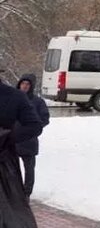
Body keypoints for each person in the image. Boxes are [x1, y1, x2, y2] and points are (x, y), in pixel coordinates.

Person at [0, 76, 43, 227]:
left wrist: (6, 137)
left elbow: (34, 125)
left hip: (4, 165)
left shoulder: (14, 96)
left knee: (10, 214)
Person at [15, 74, 49, 196]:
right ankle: (14, 191)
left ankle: (26, 192)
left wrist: (33, 129)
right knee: (12, 168)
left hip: (29, 140)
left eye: (27, 84)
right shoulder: (13, 99)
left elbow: (44, 118)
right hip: (12, 140)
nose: (24, 86)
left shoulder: (37, 102)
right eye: (22, 83)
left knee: (29, 169)